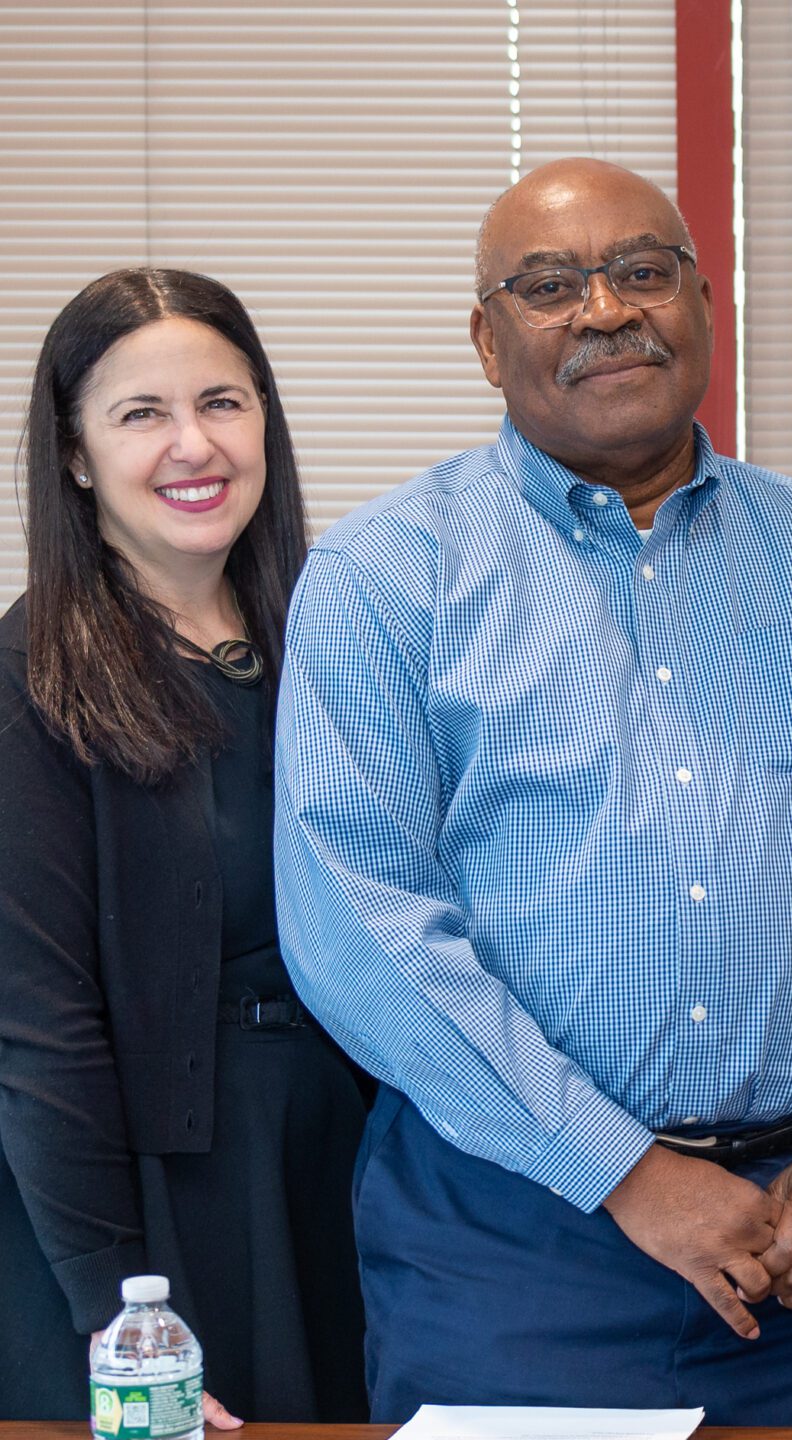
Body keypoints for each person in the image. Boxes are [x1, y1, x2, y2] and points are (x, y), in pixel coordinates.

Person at [272, 158, 792, 1423]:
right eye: (548, 287)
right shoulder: (387, 578)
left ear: (705, 303)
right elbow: (359, 926)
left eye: (642, 272)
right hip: (511, 1245)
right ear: (487, 344)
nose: (604, 310)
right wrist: (626, 1174)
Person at [0, 268, 366, 1422]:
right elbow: (38, 1033)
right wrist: (123, 1314)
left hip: (341, 1167)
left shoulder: (334, 638)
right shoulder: (30, 683)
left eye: (222, 401)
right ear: (73, 455)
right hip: (148, 1215)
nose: (192, 445)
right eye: (139, 414)